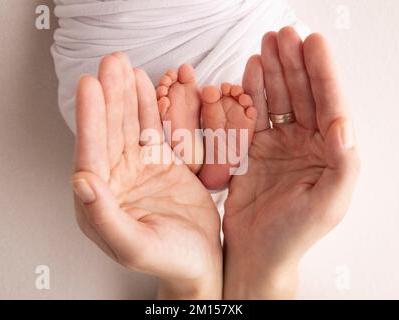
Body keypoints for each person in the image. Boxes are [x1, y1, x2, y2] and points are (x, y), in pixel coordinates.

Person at [70, 26, 360, 299]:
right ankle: (201, 154)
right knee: (278, 74)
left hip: (134, 135)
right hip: (131, 103)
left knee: (279, 65)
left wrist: (195, 284)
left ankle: (197, 154)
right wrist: (251, 274)